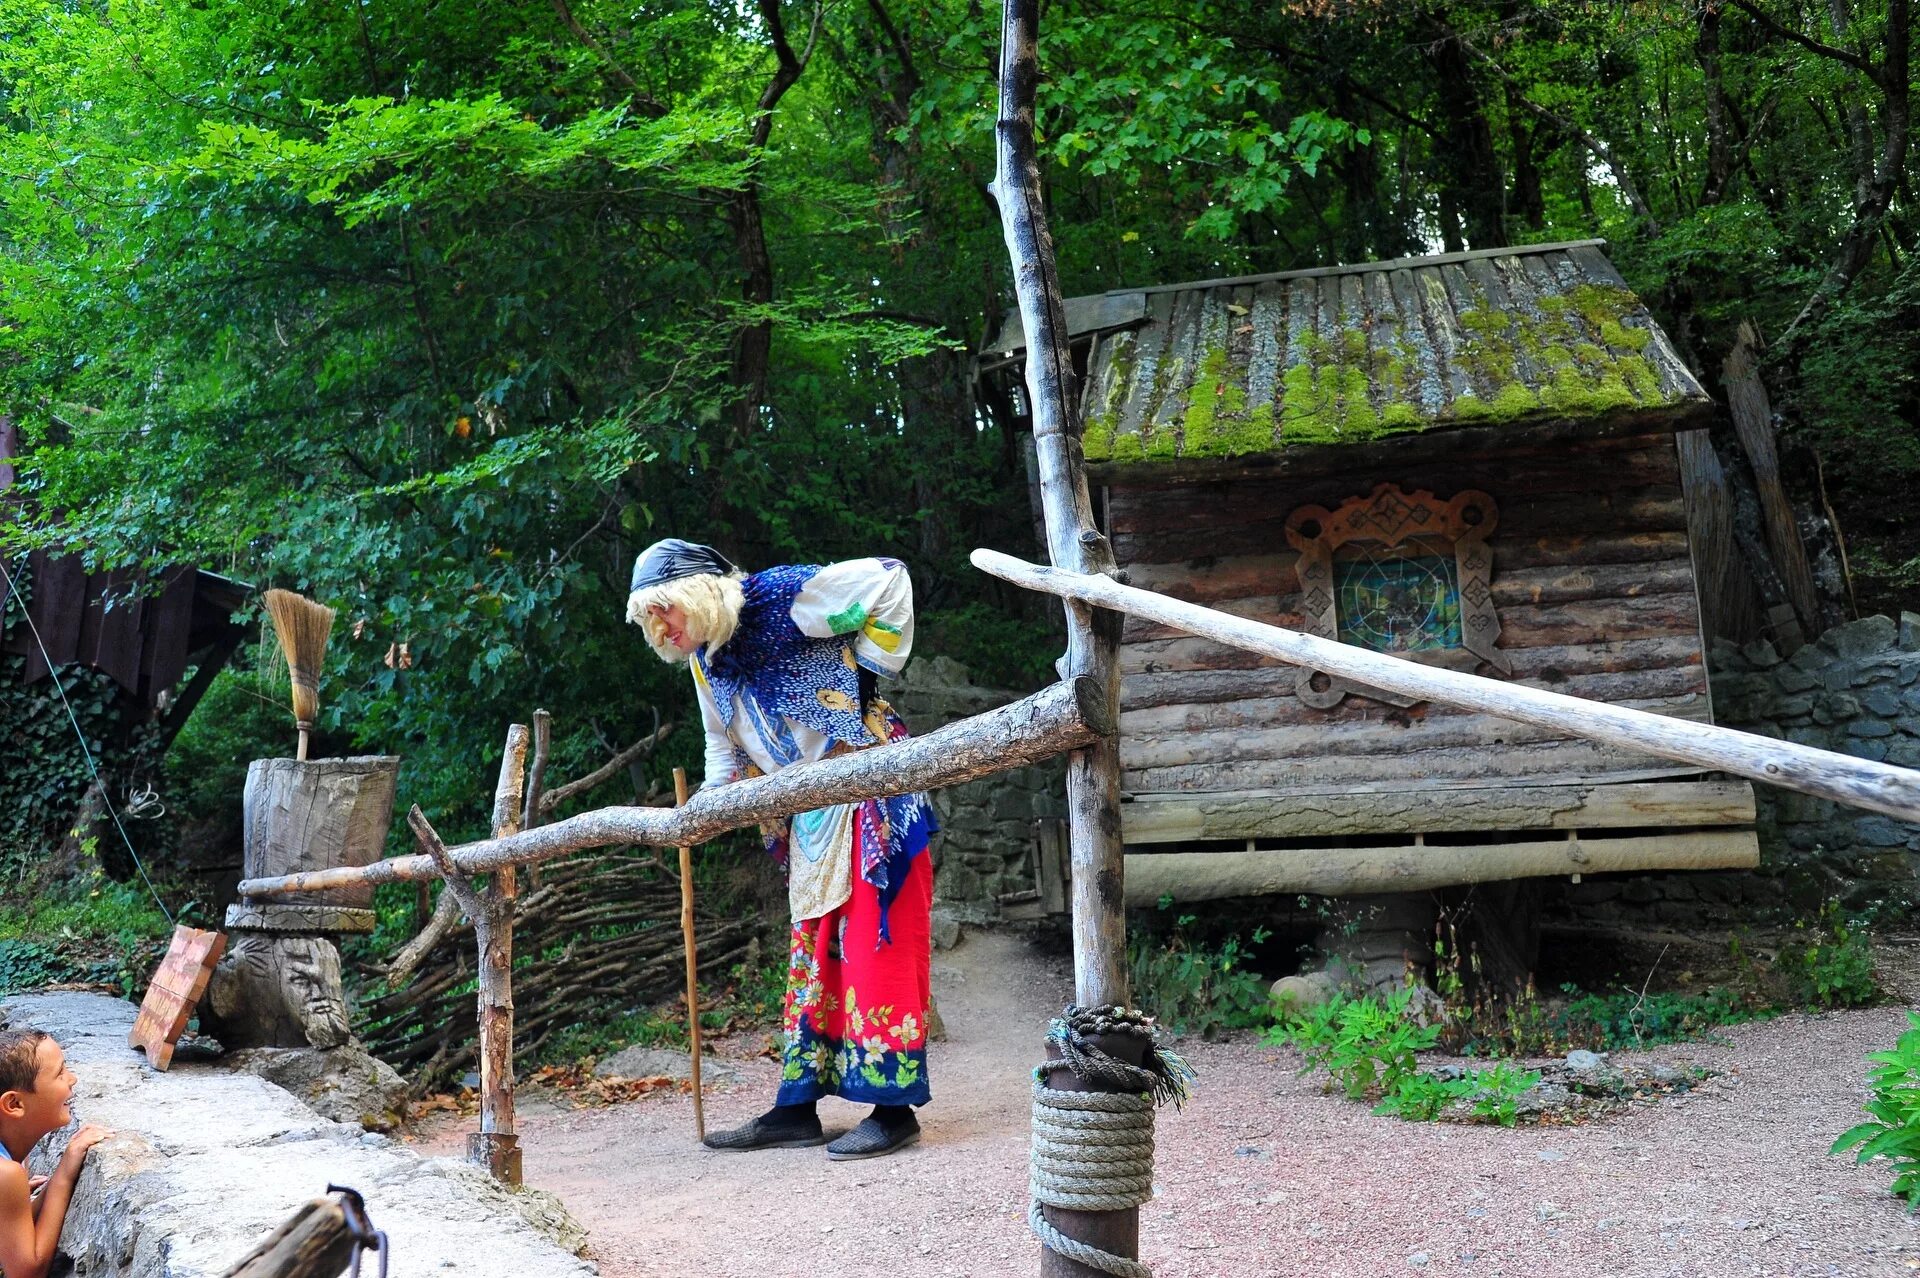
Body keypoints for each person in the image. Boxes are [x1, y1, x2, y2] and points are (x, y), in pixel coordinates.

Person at [626, 538, 937, 1160]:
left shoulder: (781, 599)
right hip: (809, 819)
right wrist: (714, 806)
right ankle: (796, 1110)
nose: (659, 626)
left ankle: (894, 1110)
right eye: (648, 617)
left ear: (699, 595)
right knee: (813, 960)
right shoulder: (705, 661)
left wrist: (868, 664)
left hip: (873, 793)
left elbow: (889, 579)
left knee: (877, 949)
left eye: (665, 608)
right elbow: (722, 743)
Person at [0, 1029, 109, 1278]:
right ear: (15, 1104)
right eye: (60, 1073)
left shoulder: (13, 1164)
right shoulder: (6, 1172)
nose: (72, 1079)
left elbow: (11, 1230)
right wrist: (63, 1176)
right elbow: (28, 1271)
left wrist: (36, 1196)